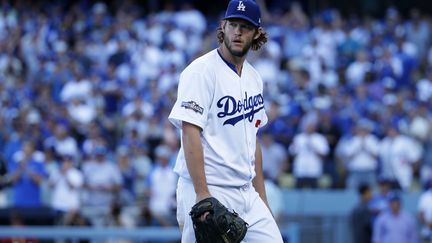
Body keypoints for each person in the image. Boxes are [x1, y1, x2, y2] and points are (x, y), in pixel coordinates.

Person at [168, 0, 283, 242]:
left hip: (246, 191)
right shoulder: (200, 71)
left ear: (257, 34)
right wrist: (202, 194)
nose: (238, 32)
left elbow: (254, 141)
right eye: (233, 25)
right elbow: (190, 133)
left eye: (245, 27)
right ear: (223, 27)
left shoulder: (254, 78)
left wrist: (262, 200)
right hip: (209, 188)